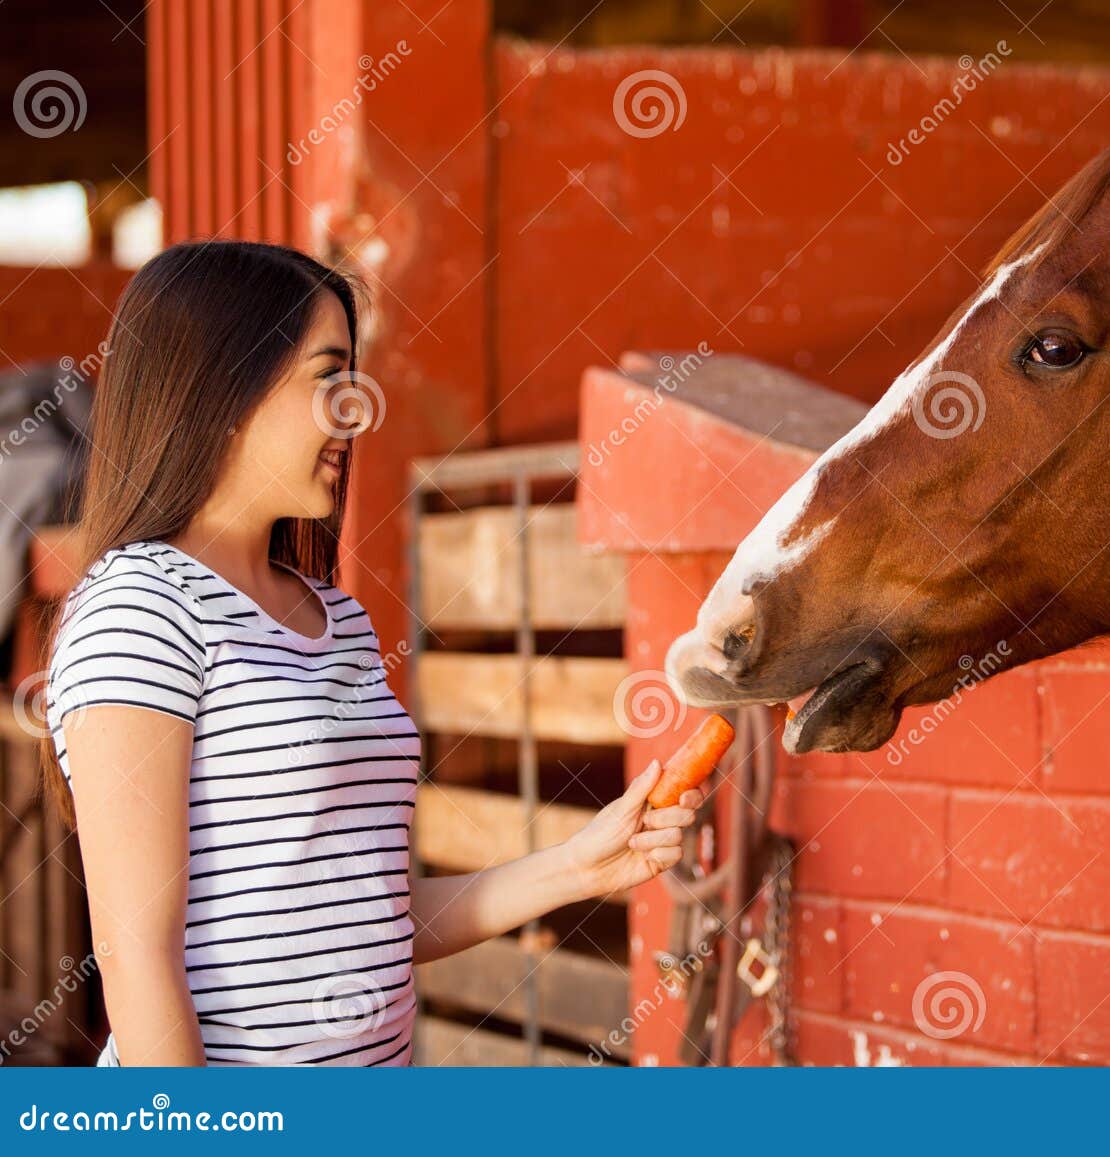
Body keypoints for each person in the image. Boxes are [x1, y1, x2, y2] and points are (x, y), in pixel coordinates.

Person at [41, 240, 702, 1066]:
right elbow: (138, 954)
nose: (355, 411)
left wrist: (580, 865)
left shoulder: (337, 618)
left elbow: (372, 915)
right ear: (222, 387)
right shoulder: (141, 606)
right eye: (329, 378)